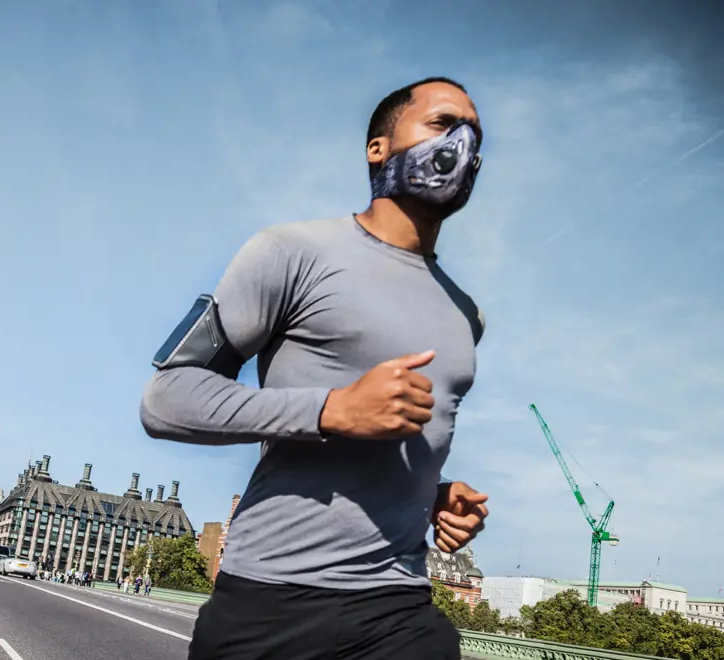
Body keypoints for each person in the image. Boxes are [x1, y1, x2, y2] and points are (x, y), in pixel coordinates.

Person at [141, 77, 491, 660]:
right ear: (378, 147)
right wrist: (332, 409)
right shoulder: (290, 253)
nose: (462, 143)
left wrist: (431, 493)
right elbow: (165, 398)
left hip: (398, 605)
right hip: (271, 600)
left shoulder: (467, 315)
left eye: (474, 135)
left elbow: (394, 443)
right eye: (441, 123)